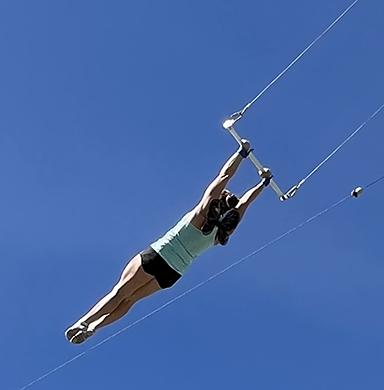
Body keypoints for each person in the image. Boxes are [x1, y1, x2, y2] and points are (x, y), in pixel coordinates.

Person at [65, 139, 272, 344]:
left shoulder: (201, 213)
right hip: (173, 273)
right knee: (131, 300)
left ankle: (85, 322)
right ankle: (95, 328)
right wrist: (263, 183)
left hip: (159, 255)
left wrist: (241, 153)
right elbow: (246, 203)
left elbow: (224, 176)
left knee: (120, 291)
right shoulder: (223, 232)